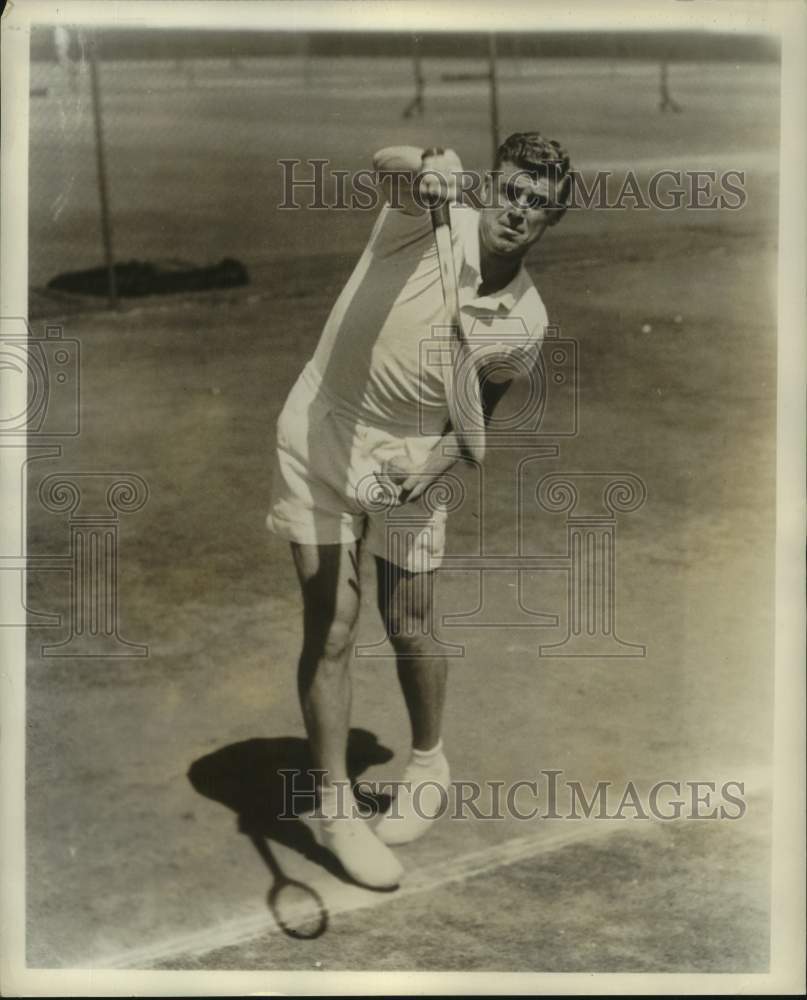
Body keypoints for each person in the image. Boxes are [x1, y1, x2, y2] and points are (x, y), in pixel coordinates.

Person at [267, 133, 573, 889]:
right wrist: (428, 170)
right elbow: (387, 162)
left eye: (536, 204)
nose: (517, 209)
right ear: (492, 187)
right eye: (510, 191)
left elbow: (471, 426)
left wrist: (422, 476)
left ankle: (429, 761)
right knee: (331, 627)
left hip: (410, 453)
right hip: (321, 428)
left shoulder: (524, 321)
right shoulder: (425, 214)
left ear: (548, 222)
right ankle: (338, 813)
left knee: (407, 622)